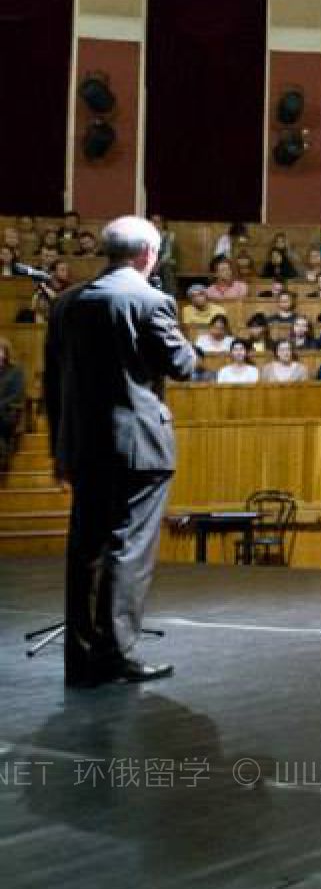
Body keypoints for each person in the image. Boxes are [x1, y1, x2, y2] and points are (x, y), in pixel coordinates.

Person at [45, 216, 199, 685]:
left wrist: (60, 449)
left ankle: (82, 657)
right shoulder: (151, 301)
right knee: (128, 549)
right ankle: (116, 654)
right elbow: (183, 365)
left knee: (86, 549)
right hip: (139, 447)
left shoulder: (67, 304)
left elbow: (52, 382)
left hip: (83, 445)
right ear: (148, 255)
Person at [0, 338, 24, 473]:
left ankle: (4, 453)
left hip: (9, 412)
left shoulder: (16, 371)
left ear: (6, 352)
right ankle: (3, 452)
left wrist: (1, 404)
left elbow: (17, 394)